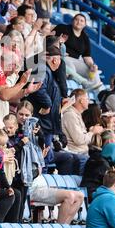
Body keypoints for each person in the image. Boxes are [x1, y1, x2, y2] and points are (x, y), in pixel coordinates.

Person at [28, 46, 75, 174]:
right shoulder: (43, 69)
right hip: (42, 124)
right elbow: (39, 89)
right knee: (41, 159)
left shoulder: (46, 70)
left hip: (47, 124)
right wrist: (48, 105)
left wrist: (59, 101)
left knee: (45, 159)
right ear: (55, 60)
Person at [55, 14, 103, 90]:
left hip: (76, 60)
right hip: (62, 56)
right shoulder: (63, 28)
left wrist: (91, 65)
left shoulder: (85, 37)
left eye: (82, 21)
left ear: (85, 24)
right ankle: (84, 84)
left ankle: (94, 91)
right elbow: (51, 40)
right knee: (71, 67)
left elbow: (86, 56)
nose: (79, 22)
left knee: (94, 71)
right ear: (72, 21)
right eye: (76, 19)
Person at [62, 89, 104, 175]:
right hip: (77, 156)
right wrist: (92, 132)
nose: (88, 101)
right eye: (87, 99)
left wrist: (91, 131)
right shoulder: (70, 115)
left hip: (82, 154)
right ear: (81, 101)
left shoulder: (76, 114)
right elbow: (79, 140)